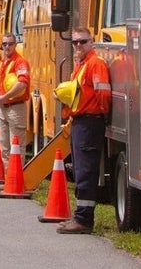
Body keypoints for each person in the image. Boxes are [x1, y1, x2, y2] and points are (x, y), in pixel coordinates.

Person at [57, 27, 112, 235]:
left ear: (92, 42)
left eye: (83, 41)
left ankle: (84, 220)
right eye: (75, 42)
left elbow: (103, 94)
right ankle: (80, 215)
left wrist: (101, 115)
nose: (78, 45)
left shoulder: (95, 64)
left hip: (90, 122)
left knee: (86, 171)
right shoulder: (81, 65)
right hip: (81, 121)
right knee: (80, 170)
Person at [0, 35, 31, 170]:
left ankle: (16, 181)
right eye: (4, 44)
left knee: (16, 145)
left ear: (15, 45)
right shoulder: (3, 62)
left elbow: (22, 84)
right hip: (3, 108)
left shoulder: (20, 62)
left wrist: (4, 97)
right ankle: (7, 180)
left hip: (16, 107)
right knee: (4, 145)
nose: (7, 47)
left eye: (10, 44)